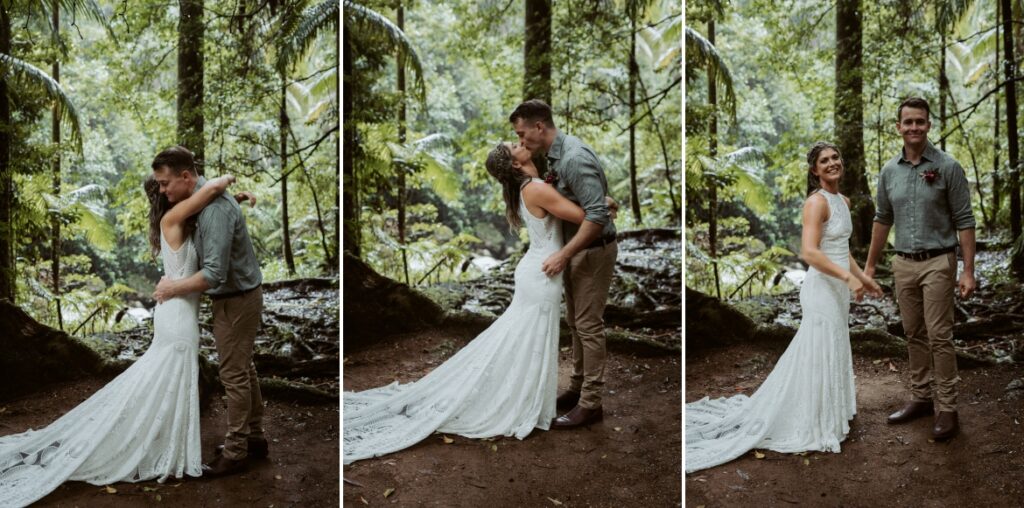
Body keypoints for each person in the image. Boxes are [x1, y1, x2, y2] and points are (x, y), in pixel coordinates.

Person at [0, 168, 244, 507]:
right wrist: (227, 181)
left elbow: (207, 212)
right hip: (176, 317)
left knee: (162, 379)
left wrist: (234, 202)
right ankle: (156, 446)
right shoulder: (172, 218)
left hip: (178, 313)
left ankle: (160, 441)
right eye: (165, 187)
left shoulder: (183, 222)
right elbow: (208, 191)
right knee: (166, 376)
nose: (172, 190)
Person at [343, 141, 592, 464]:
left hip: (540, 269)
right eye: (514, 145)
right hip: (543, 272)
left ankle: (523, 396)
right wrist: (603, 202)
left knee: (522, 337)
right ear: (515, 165)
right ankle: (515, 401)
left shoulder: (537, 186)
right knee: (528, 337)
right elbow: (587, 214)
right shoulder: (535, 189)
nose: (521, 143)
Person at [685, 142, 882, 473]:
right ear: (814, 170)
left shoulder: (843, 201)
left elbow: (841, 249)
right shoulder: (815, 203)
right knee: (818, 349)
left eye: (836, 157)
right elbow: (810, 252)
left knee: (833, 347)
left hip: (839, 287)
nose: (832, 163)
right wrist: (849, 280)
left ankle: (831, 412)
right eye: (824, 160)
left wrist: (863, 277)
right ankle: (812, 420)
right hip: (821, 289)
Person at [865, 97, 976, 440]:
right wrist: (869, 266)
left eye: (920, 122)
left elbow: (965, 221)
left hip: (939, 262)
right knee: (913, 333)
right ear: (898, 127)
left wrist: (967, 270)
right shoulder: (889, 171)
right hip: (903, 263)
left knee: (940, 335)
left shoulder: (947, 167)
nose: (914, 127)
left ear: (929, 125)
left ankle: (947, 407)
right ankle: (921, 397)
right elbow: (883, 218)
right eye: (908, 122)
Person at [150, 146, 267, 475]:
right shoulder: (200, 205)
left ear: (186, 177)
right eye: (159, 186)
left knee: (233, 375)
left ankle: (236, 451)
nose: (163, 190)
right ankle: (254, 438)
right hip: (235, 295)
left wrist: (172, 287)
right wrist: (233, 190)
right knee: (244, 368)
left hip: (236, 298)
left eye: (165, 183)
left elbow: (214, 273)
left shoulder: (211, 209)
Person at [509, 99, 617, 428]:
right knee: (575, 322)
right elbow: (590, 201)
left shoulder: (573, 156)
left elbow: (597, 216)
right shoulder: (554, 157)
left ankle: (591, 404)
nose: (521, 141)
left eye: (522, 134)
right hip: (573, 248)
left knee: (588, 325)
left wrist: (564, 254)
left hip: (591, 250)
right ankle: (577, 387)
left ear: (540, 126)